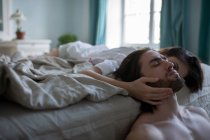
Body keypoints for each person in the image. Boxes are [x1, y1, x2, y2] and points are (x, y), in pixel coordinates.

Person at [111, 47, 210, 140]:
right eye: (156, 63)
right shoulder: (146, 133)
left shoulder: (199, 113)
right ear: (139, 79)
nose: (170, 65)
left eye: (165, 59)